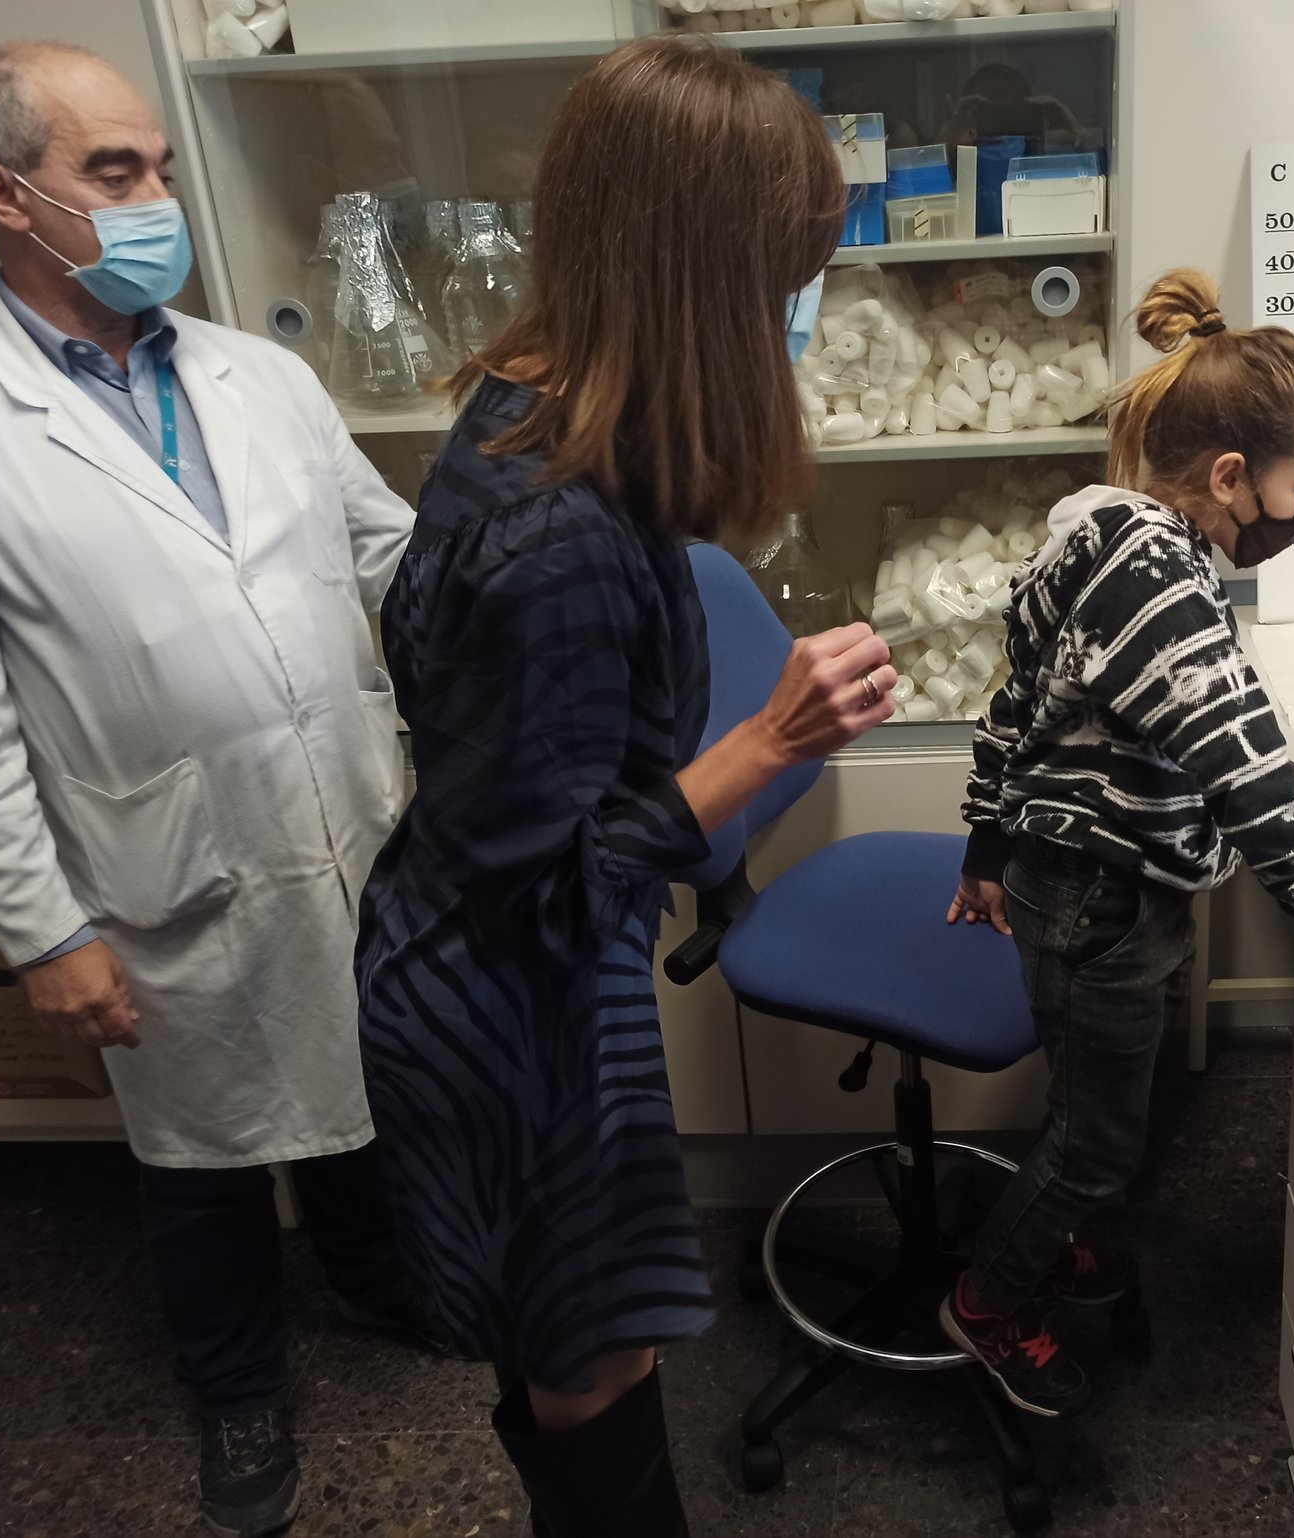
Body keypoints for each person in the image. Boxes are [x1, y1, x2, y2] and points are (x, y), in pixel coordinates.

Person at [0, 42, 434, 1538]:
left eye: (161, 168)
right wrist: (44, 933)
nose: (157, 201)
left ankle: (381, 1281)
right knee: (206, 1155)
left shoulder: (262, 377)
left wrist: (536, 558)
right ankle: (237, 1384)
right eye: (113, 172)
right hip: (165, 863)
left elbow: (393, 556)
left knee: (371, 1088)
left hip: (352, 812)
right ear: (4, 195)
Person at [353, 35, 893, 1537]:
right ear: (708, 282)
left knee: (580, 1346)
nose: (793, 315)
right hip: (507, 1010)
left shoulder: (527, 404)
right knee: (589, 1368)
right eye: (782, 280)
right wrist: (769, 740)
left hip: (495, 964)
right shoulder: (560, 541)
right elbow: (547, 889)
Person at [942, 270, 1294, 1416]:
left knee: (1089, 1102)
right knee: (1094, 1142)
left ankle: (1053, 1232)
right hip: (1100, 899)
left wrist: (983, 849)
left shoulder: (1099, 534)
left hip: (1075, 881)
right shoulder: (1156, 580)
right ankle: (986, 1298)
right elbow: (1240, 757)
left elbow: (1012, 705)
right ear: (1227, 477)